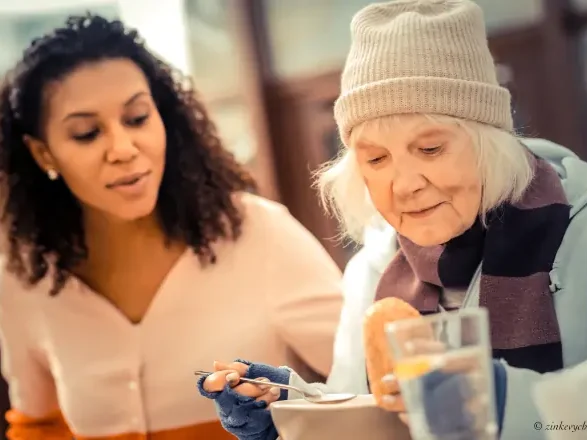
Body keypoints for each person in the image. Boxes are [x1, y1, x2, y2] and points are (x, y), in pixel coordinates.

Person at [197, 1, 587, 439]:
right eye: (376, 158)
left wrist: (505, 400)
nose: (404, 184)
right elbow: (371, 414)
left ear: (491, 144)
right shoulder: (372, 270)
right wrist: (290, 410)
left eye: (430, 149)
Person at [0, 14, 345, 440]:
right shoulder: (24, 277)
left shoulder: (258, 233)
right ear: (43, 154)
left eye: (138, 118)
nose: (123, 149)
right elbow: (39, 427)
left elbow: (364, 386)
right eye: (88, 133)